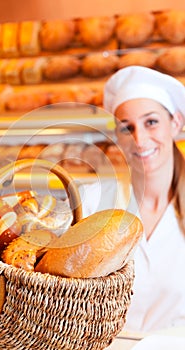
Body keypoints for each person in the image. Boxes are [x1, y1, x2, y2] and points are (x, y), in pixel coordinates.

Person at [79, 65, 185, 333]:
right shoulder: (92, 202)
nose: (139, 139)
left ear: (175, 123)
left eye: (151, 122)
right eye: (127, 128)